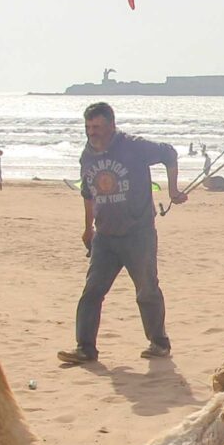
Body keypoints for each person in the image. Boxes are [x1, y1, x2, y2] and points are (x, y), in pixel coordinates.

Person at [61, 103, 185, 364]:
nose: (91, 133)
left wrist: (173, 190)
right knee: (92, 291)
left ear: (111, 126)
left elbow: (169, 154)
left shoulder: (134, 146)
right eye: (88, 127)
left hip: (138, 233)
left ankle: (158, 342)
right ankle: (85, 349)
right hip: (104, 236)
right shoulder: (87, 155)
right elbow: (88, 195)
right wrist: (87, 229)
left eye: (96, 127)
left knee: (146, 289)